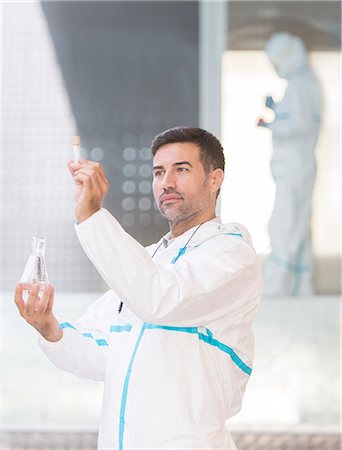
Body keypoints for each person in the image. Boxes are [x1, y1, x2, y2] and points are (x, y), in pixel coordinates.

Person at [15, 127, 263, 450]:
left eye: (181, 170)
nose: (167, 183)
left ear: (215, 179)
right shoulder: (148, 261)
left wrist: (91, 217)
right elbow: (100, 347)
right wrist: (48, 326)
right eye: (159, 172)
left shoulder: (232, 254)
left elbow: (158, 298)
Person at [258, 32, 321, 295]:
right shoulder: (302, 83)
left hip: (296, 167)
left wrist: (271, 124)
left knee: (286, 223)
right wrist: (276, 110)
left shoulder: (302, 85)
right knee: (297, 224)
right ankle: (301, 285)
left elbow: (301, 124)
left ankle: (277, 284)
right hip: (298, 166)